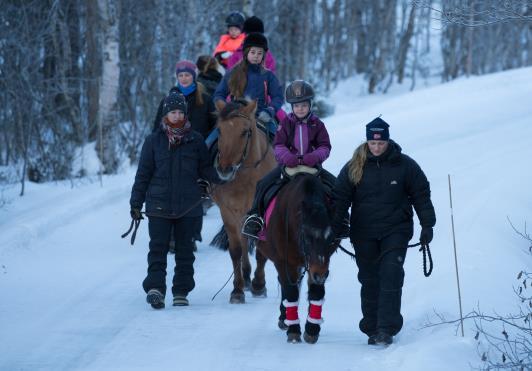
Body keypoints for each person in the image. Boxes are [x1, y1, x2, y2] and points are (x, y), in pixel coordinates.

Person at [331, 117, 436, 345]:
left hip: (396, 230)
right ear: (367, 141)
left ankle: (386, 328)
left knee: (391, 273)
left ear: (387, 141)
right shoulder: (353, 166)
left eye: (380, 143)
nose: (376, 147)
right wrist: (334, 226)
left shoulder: (405, 165)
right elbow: (340, 199)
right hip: (364, 232)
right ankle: (371, 327)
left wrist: (428, 224)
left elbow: (421, 193)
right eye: (372, 143)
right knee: (369, 279)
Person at [130, 92, 222, 309]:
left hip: (188, 205)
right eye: (173, 112)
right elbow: (143, 174)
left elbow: (206, 169)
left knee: (185, 251)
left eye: (181, 112)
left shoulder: (196, 140)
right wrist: (136, 203)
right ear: (166, 114)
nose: (177, 115)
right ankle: (155, 289)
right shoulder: (153, 142)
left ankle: (181, 290)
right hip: (159, 205)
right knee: (157, 249)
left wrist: (222, 178)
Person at [241, 80, 333, 239]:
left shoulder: (317, 124)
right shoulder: (285, 123)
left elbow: (325, 146)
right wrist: (287, 157)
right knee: (263, 184)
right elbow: (278, 145)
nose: (300, 109)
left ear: (310, 105)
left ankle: (342, 220)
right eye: (297, 106)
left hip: (313, 168)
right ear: (292, 107)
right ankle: (255, 217)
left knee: (335, 185)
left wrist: (314, 156)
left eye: (304, 105)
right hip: (288, 167)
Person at [211, 32, 283, 144]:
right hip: (234, 116)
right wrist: (225, 108)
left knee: (280, 143)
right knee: (210, 142)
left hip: (261, 116)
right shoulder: (233, 73)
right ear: (246, 52)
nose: (256, 56)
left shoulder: (268, 75)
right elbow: (219, 94)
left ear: (263, 55)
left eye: (260, 53)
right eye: (253, 52)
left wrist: (270, 110)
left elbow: (278, 96)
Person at [152, 60, 216, 140]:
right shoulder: (167, 101)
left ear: (193, 76)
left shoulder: (206, 100)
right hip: (173, 149)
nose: (183, 78)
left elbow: (215, 126)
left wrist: (203, 141)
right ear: (177, 77)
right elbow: (157, 129)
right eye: (180, 75)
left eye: (187, 75)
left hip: (199, 148)